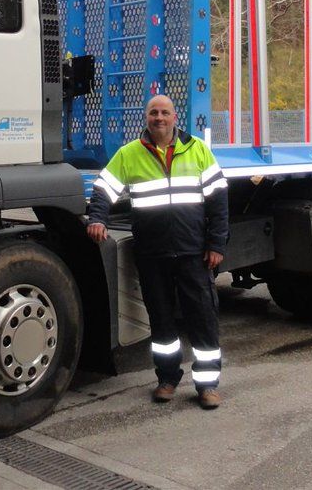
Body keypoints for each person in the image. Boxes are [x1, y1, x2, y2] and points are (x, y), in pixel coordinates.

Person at [86, 95, 229, 409]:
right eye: (154, 113)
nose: (159, 118)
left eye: (165, 112)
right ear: (146, 117)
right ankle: (167, 379)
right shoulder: (129, 154)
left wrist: (216, 244)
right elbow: (103, 189)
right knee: (162, 322)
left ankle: (207, 385)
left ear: (175, 117)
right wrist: (97, 218)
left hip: (194, 253)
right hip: (153, 255)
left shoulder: (198, 151)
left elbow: (218, 201)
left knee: (202, 319)